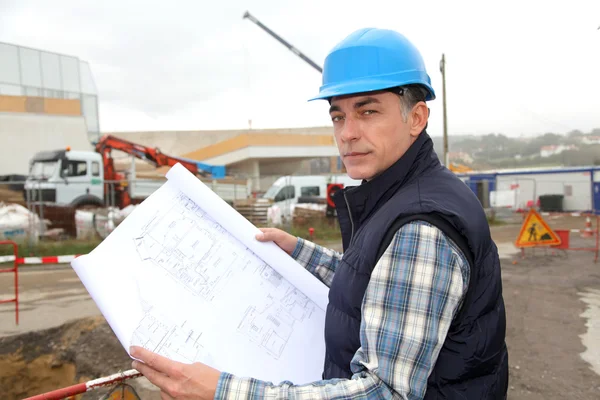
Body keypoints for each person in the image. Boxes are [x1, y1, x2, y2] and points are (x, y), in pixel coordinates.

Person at [131, 27, 509, 399]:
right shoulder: (406, 195)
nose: (347, 133)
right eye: (338, 117)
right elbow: (376, 283)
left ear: (416, 118)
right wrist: (299, 253)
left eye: (368, 111)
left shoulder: (422, 227)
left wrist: (221, 392)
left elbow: (384, 392)